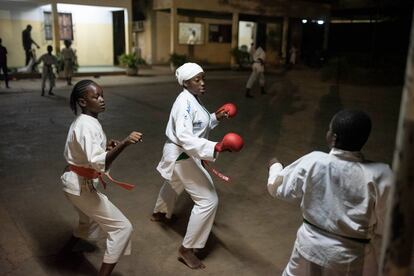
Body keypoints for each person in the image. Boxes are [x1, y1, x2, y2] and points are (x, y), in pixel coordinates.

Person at [267, 109, 393, 275]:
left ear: (333, 137)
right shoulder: (381, 174)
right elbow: (387, 223)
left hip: (309, 248)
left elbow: (278, 188)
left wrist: (275, 167)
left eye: (329, 129)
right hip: (354, 257)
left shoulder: (315, 161)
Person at [151, 62, 235, 269]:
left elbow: (199, 125)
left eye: (203, 78)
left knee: (175, 182)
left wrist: (216, 116)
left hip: (182, 154)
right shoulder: (184, 103)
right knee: (208, 200)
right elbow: (185, 136)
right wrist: (216, 146)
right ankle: (187, 249)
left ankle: (160, 213)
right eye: (197, 80)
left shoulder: (192, 99)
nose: (202, 83)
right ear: (186, 83)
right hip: (182, 154)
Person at [61, 79, 143, 276]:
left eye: (102, 95)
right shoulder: (86, 126)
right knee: (122, 228)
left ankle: (65, 252)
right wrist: (124, 143)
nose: (102, 99)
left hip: (73, 182)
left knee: (87, 221)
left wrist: (105, 148)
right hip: (79, 186)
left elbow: (89, 155)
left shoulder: (88, 122)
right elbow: (100, 163)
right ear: (82, 102)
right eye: (95, 96)